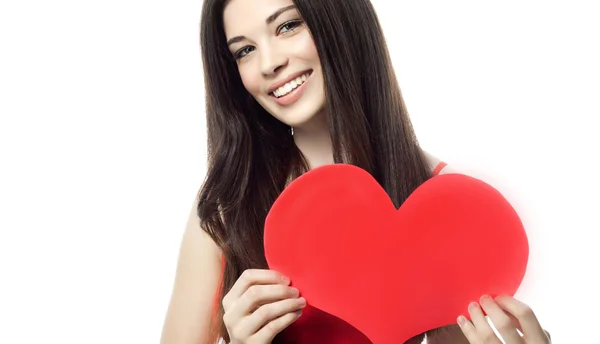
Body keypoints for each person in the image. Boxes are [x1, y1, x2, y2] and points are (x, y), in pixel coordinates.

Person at [160, 0, 552, 343]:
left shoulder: (448, 206)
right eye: (244, 50)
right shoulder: (228, 205)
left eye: (288, 26)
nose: (269, 63)